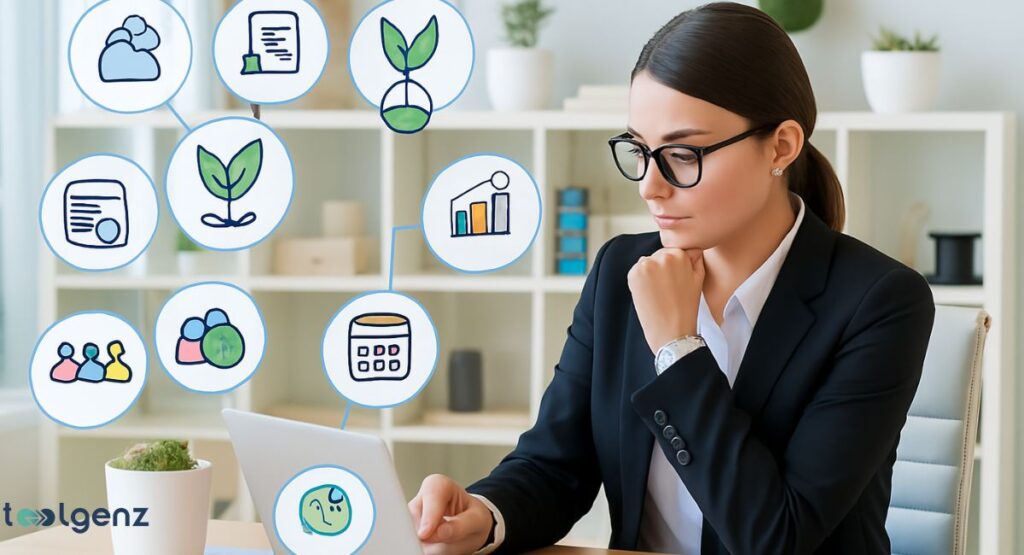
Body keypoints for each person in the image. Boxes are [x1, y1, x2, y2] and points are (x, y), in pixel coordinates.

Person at [407, 3, 935, 554]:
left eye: (682, 154)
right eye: (640, 150)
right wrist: (486, 516)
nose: (650, 187)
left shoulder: (880, 302)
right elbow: (553, 466)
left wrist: (678, 349)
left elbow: (776, 537)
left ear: (781, 146)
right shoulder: (620, 271)